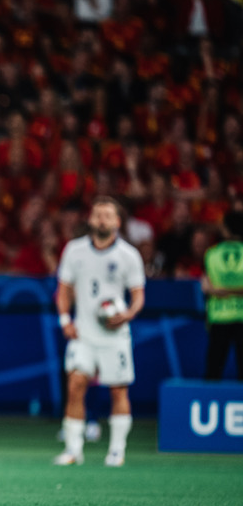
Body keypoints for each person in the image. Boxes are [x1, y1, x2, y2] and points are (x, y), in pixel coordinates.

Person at [54, 197, 145, 467]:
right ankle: (73, 450)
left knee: (118, 390)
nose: (101, 220)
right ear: (90, 220)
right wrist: (64, 320)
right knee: (75, 385)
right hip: (84, 333)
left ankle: (116, 450)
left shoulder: (128, 255)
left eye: (107, 215)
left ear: (117, 222)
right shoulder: (74, 250)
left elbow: (138, 295)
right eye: (97, 215)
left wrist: (128, 314)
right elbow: (64, 290)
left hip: (114, 336)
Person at [201, 210, 243, 380]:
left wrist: (222, 291)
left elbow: (206, 287)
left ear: (226, 229)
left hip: (218, 315)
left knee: (213, 369)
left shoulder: (211, 254)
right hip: (241, 316)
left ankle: (208, 401)